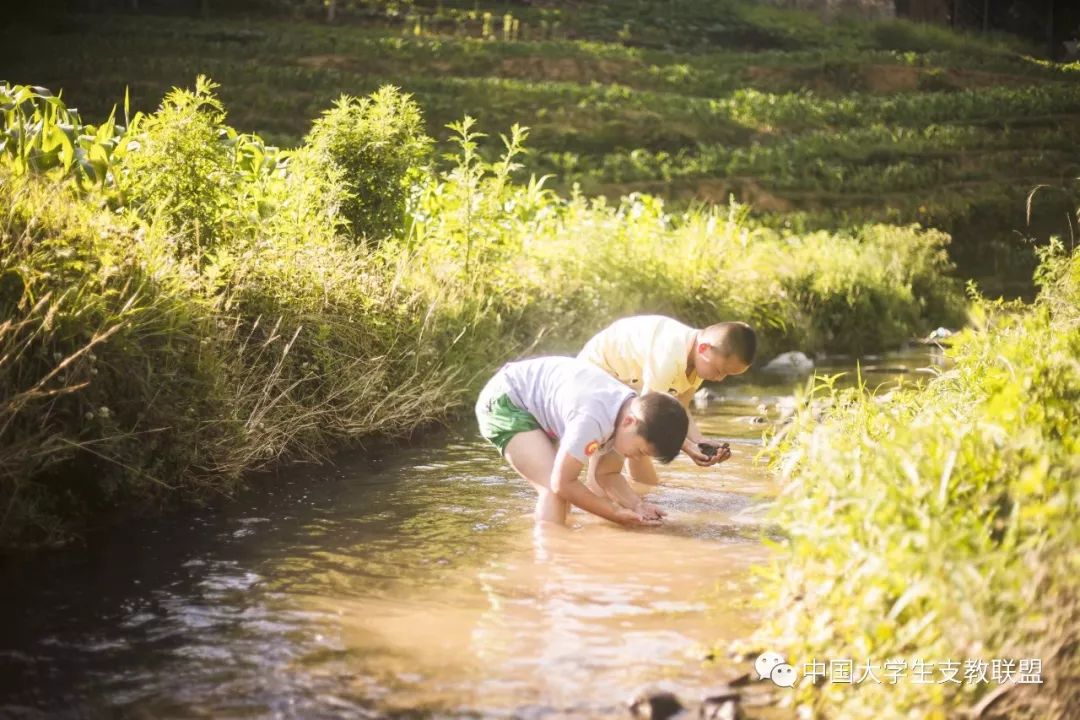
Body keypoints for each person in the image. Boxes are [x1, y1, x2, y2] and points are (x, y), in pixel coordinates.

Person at [475, 356, 689, 527]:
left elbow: (607, 475)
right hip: (506, 402)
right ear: (629, 422)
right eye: (640, 451)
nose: (635, 458)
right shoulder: (592, 419)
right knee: (552, 491)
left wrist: (637, 505)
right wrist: (614, 513)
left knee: (564, 500)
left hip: (536, 404)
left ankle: (548, 529)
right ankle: (549, 563)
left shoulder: (627, 413)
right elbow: (562, 484)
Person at [578, 315, 756, 484]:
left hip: (627, 382)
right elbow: (648, 417)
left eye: (727, 374)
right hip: (597, 373)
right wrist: (686, 446)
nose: (720, 379)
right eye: (719, 370)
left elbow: (678, 410)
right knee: (621, 441)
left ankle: (644, 494)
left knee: (641, 446)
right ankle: (599, 497)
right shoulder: (669, 355)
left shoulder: (700, 361)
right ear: (704, 348)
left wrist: (699, 441)